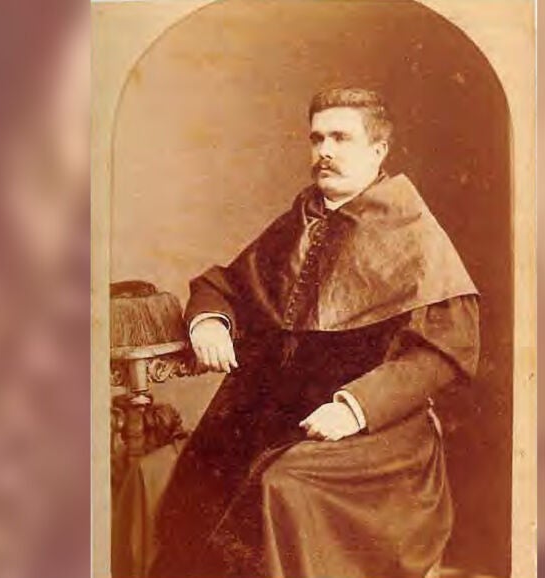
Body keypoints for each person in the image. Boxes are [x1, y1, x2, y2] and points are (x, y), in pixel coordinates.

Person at [150, 88, 480, 578]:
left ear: (378, 150)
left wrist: (356, 408)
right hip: (275, 408)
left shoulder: (414, 231)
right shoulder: (299, 222)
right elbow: (224, 286)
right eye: (317, 138)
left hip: (374, 430)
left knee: (284, 485)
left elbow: (441, 352)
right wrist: (211, 321)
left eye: (341, 138)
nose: (324, 151)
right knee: (204, 476)